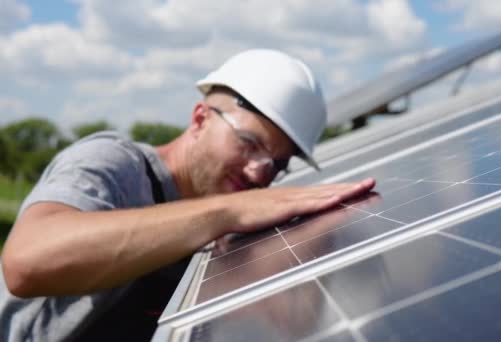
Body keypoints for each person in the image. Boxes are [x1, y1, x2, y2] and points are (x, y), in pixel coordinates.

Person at [0, 49, 374, 341]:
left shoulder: (222, 213)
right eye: (249, 143)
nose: (260, 172)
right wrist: (229, 211)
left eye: (278, 163)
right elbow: (26, 264)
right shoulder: (114, 164)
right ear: (199, 119)